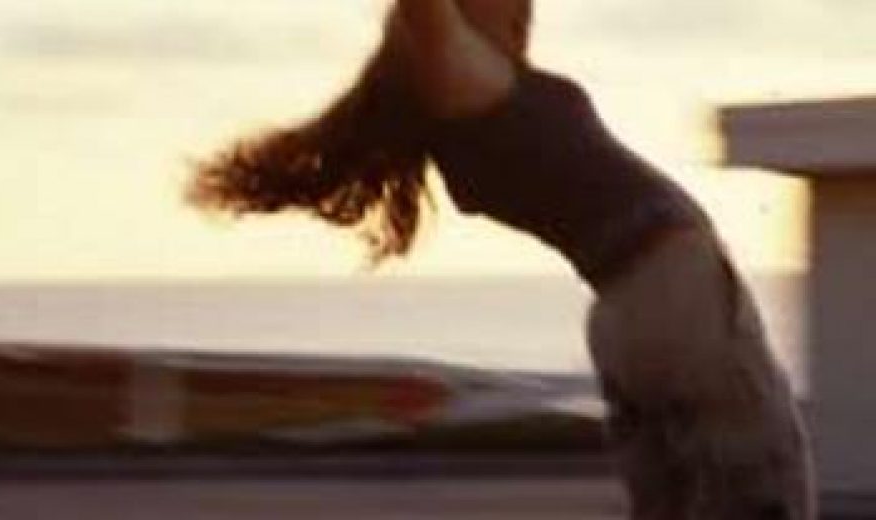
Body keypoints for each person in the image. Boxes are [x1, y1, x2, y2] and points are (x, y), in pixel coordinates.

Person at [191, 1, 814, 517]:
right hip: (669, 288)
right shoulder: (466, 84)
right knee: (760, 482)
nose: (526, 10)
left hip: (630, 305)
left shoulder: (469, 109)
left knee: (675, 498)